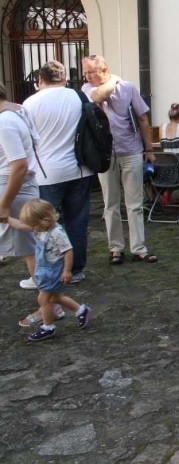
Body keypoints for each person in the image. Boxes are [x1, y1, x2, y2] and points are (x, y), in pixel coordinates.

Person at [21, 61, 94, 286]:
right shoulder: (79, 97)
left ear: (40, 79)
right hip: (80, 169)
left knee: (42, 224)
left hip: (46, 173)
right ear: (64, 78)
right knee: (77, 221)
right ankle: (77, 270)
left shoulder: (30, 103)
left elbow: (26, 141)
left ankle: (45, 272)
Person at [82, 55, 157, 265]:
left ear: (103, 69)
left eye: (90, 72)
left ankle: (139, 248)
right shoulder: (87, 89)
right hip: (105, 154)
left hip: (131, 150)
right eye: (85, 72)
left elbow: (143, 118)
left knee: (135, 204)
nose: (86, 76)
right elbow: (97, 96)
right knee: (110, 204)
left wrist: (149, 148)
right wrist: (113, 80)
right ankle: (115, 248)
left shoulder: (128, 87)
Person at [7, 199, 92, 342]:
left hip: (54, 270)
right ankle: (81, 310)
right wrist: (7, 219)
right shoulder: (40, 227)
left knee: (43, 298)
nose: (33, 228)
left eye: (34, 224)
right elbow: (21, 226)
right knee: (54, 297)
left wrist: (67, 270)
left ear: (44, 219)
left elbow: (68, 251)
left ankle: (47, 327)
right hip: (45, 269)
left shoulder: (57, 232)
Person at [0, 82, 39, 288]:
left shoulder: (5, 122)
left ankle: (51, 303)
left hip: (13, 186)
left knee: (30, 246)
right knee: (30, 245)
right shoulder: (17, 112)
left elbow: (19, 165)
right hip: (20, 184)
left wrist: (5, 204)